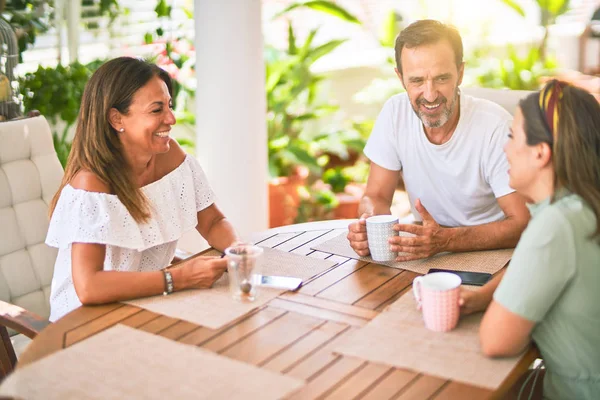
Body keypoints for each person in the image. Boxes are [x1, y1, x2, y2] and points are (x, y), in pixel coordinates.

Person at [46, 57, 240, 322]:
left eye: (169, 106)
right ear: (116, 119)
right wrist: (177, 278)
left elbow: (213, 221)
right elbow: (89, 287)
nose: (171, 118)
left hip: (149, 304)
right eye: (156, 110)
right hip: (86, 321)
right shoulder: (93, 182)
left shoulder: (171, 158)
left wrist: (238, 253)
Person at [460, 80, 600, 399]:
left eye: (512, 136)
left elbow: (497, 341)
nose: (505, 148)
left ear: (540, 153)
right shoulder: (583, 204)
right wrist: (484, 296)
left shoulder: (555, 225)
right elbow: (541, 269)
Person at [347, 20, 530, 261]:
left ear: (460, 73)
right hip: (427, 250)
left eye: (441, 78)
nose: (430, 94)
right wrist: (370, 224)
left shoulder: (495, 127)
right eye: (417, 81)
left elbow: (522, 224)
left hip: (494, 253)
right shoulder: (394, 113)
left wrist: (446, 239)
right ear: (401, 78)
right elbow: (376, 196)